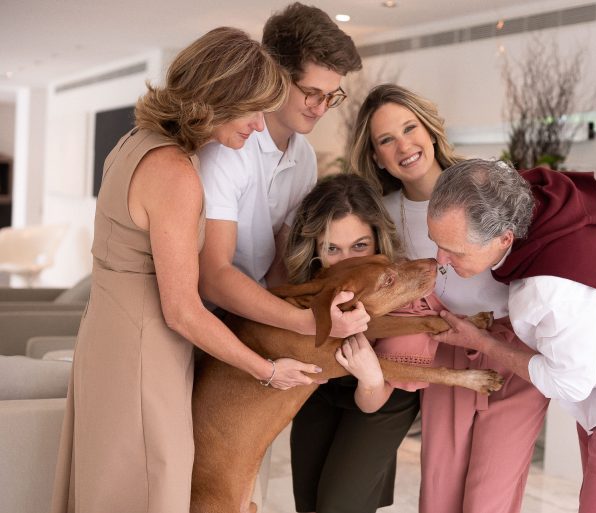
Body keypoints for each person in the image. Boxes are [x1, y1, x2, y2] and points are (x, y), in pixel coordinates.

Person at [50, 27, 292, 513]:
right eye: (254, 109)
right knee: (151, 491)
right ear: (220, 94)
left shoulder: (133, 144)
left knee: (110, 489)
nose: (260, 126)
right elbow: (182, 310)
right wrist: (266, 370)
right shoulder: (174, 173)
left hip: (109, 341)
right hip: (145, 357)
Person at [426, 158, 596, 513]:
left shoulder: (549, 293)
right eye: (436, 242)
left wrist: (482, 343)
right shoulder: (530, 193)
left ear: (504, 238)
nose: (440, 259)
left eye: (455, 251)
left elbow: (569, 383)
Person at [350, 83, 549, 513]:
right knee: (438, 494)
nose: (403, 145)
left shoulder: (486, 180)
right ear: (375, 155)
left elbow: (547, 239)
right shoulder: (382, 216)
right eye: (386, 139)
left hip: (512, 346)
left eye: (409, 127)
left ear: (429, 128)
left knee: (489, 499)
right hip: (445, 351)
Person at [197, 3, 368, 381]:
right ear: (276, 75)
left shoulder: (304, 157)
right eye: (311, 93)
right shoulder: (228, 149)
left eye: (331, 96)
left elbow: (280, 261)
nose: (321, 108)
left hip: (255, 318)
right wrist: (303, 323)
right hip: (203, 325)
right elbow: (214, 275)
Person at [285, 173, 430, 513]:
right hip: (323, 389)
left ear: (379, 241)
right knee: (308, 504)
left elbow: (372, 399)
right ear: (315, 248)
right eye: (333, 248)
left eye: (360, 246)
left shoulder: (400, 288)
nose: (348, 261)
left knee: (339, 506)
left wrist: (371, 377)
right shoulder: (309, 288)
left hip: (383, 391)